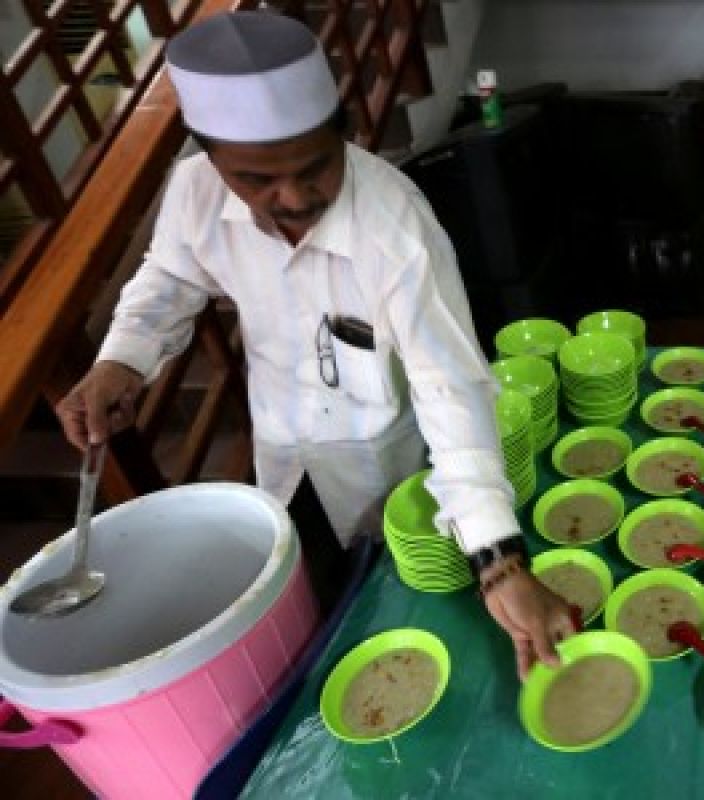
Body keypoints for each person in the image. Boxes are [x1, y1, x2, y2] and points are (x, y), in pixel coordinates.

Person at [54, 10, 575, 680]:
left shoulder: (392, 223)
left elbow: (450, 384)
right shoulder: (193, 193)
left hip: (385, 469)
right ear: (212, 161)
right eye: (256, 180)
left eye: (314, 168)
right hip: (284, 454)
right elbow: (170, 277)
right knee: (312, 615)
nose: (294, 196)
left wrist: (499, 561)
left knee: (402, 610)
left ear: (345, 137)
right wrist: (122, 359)